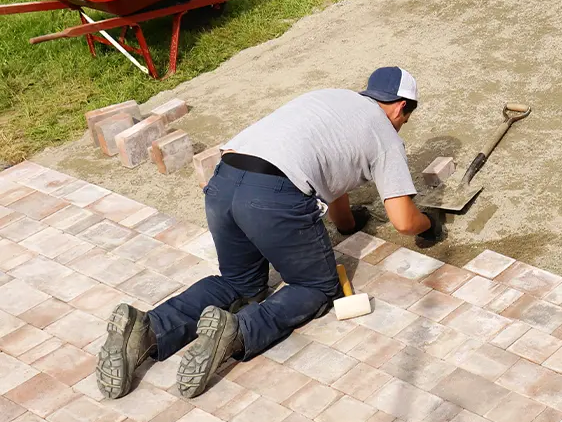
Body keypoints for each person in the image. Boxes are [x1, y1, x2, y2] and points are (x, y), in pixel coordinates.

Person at [96, 67, 443, 399]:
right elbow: (404, 221)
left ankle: (149, 328)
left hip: (224, 180)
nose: (400, 126)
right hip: (272, 196)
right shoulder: (384, 134)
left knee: (238, 283)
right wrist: (431, 224)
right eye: (404, 119)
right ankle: (237, 331)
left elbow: (331, 176)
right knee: (316, 286)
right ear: (400, 107)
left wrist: (348, 224)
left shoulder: (330, 99)